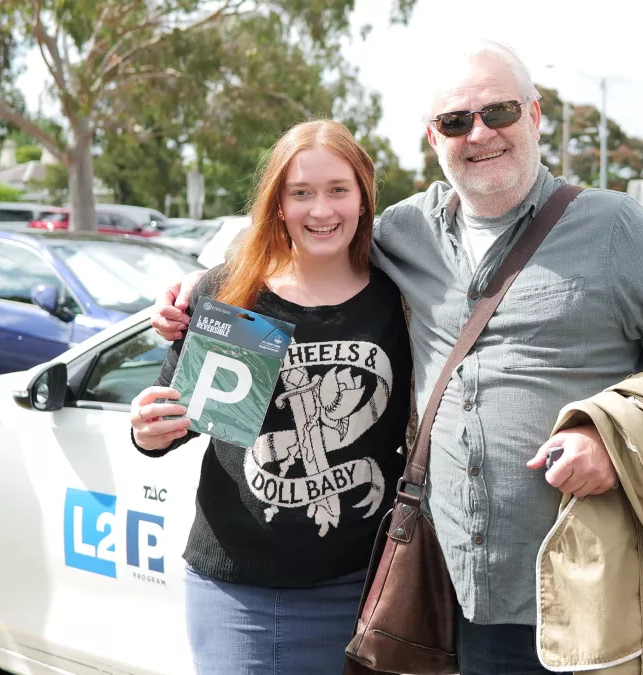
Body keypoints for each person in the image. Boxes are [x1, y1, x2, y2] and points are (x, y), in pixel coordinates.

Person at [151, 41, 643, 675]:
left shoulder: (615, 226)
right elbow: (302, 245)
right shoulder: (403, 233)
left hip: (584, 585)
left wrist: (614, 439)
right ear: (433, 138)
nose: (479, 134)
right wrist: (194, 293)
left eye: (498, 112)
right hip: (453, 593)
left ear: (534, 117)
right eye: (456, 121)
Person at [130, 119, 411, 675]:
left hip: (362, 590)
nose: (321, 210)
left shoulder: (399, 300)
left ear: (362, 197)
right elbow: (173, 424)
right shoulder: (233, 292)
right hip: (237, 591)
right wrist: (147, 429)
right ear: (278, 203)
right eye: (300, 192)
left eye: (338, 190)